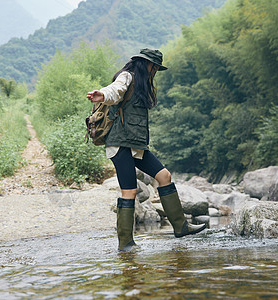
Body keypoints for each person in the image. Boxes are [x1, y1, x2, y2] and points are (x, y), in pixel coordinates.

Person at [87, 48, 206, 251]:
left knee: (164, 176)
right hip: (120, 143)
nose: (155, 72)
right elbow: (114, 90)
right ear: (146, 64)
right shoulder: (127, 76)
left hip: (136, 145)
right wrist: (102, 95)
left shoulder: (142, 83)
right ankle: (125, 243)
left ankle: (181, 227)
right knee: (130, 191)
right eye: (155, 67)